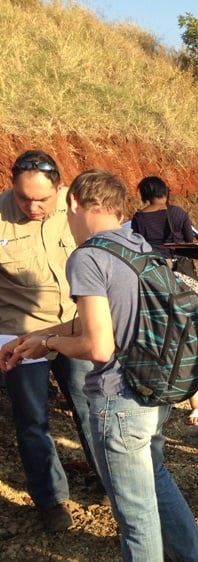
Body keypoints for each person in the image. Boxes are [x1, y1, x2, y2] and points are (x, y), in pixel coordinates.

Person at [3, 169, 198, 562]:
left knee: (134, 514)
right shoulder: (136, 244)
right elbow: (105, 318)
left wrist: (51, 344)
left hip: (119, 399)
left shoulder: (87, 257)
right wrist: (44, 337)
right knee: (155, 473)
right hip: (153, 388)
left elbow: (97, 345)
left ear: (75, 203)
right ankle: (191, 555)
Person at [0, 150, 102, 532]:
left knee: (90, 408)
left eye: (42, 198)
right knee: (32, 421)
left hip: (72, 326)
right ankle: (51, 499)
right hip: (19, 332)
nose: (32, 205)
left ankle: (108, 479)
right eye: (24, 197)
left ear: (60, 189)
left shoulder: (73, 211)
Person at [130, 176, 198, 426]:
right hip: (184, 277)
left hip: (155, 280)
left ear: (144, 193)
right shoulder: (177, 212)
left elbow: (137, 250)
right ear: (166, 191)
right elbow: (189, 242)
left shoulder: (139, 218)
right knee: (186, 336)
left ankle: (161, 391)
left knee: (161, 337)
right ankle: (193, 395)